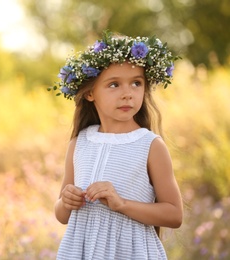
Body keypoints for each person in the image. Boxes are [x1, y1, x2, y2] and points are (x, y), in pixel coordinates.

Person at [50, 31, 183, 259]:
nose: (127, 94)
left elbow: (174, 214)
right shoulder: (79, 143)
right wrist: (66, 201)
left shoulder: (150, 145)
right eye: (114, 85)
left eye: (136, 83)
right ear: (90, 92)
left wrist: (121, 203)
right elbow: (62, 215)